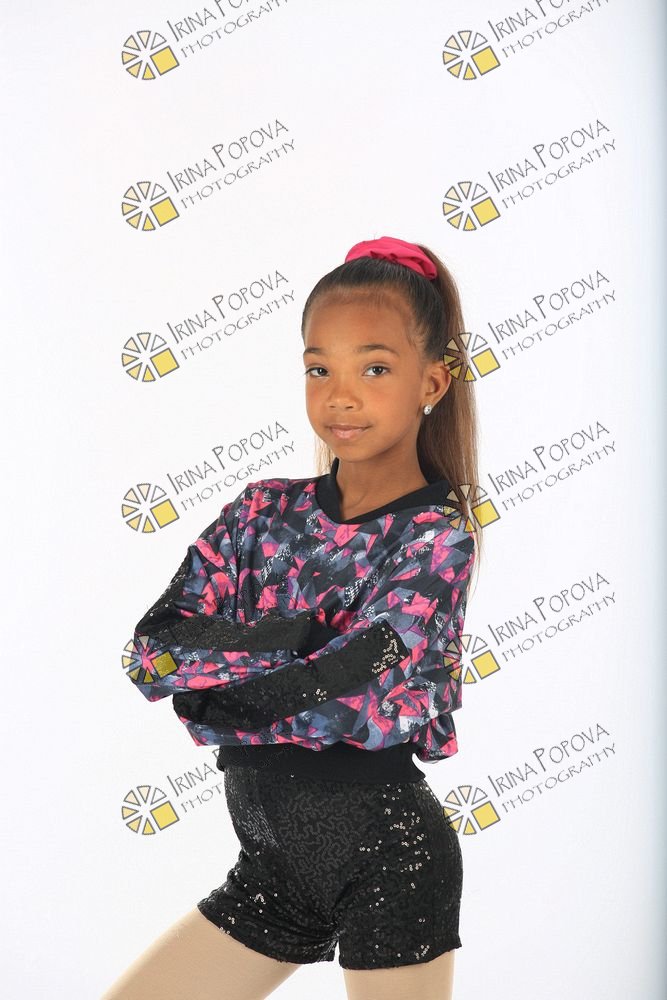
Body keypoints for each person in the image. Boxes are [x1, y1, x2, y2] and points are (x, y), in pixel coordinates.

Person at [102, 235, 483, 1000]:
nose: (340, 396)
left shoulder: (434, 538)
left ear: (430, 381)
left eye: (374, 369)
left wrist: (214, 686)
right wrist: (299, 641)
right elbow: (149, 654)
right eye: (319, 369)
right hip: (271, 874)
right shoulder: (260, 512)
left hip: (390, 864)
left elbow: (350, 686)